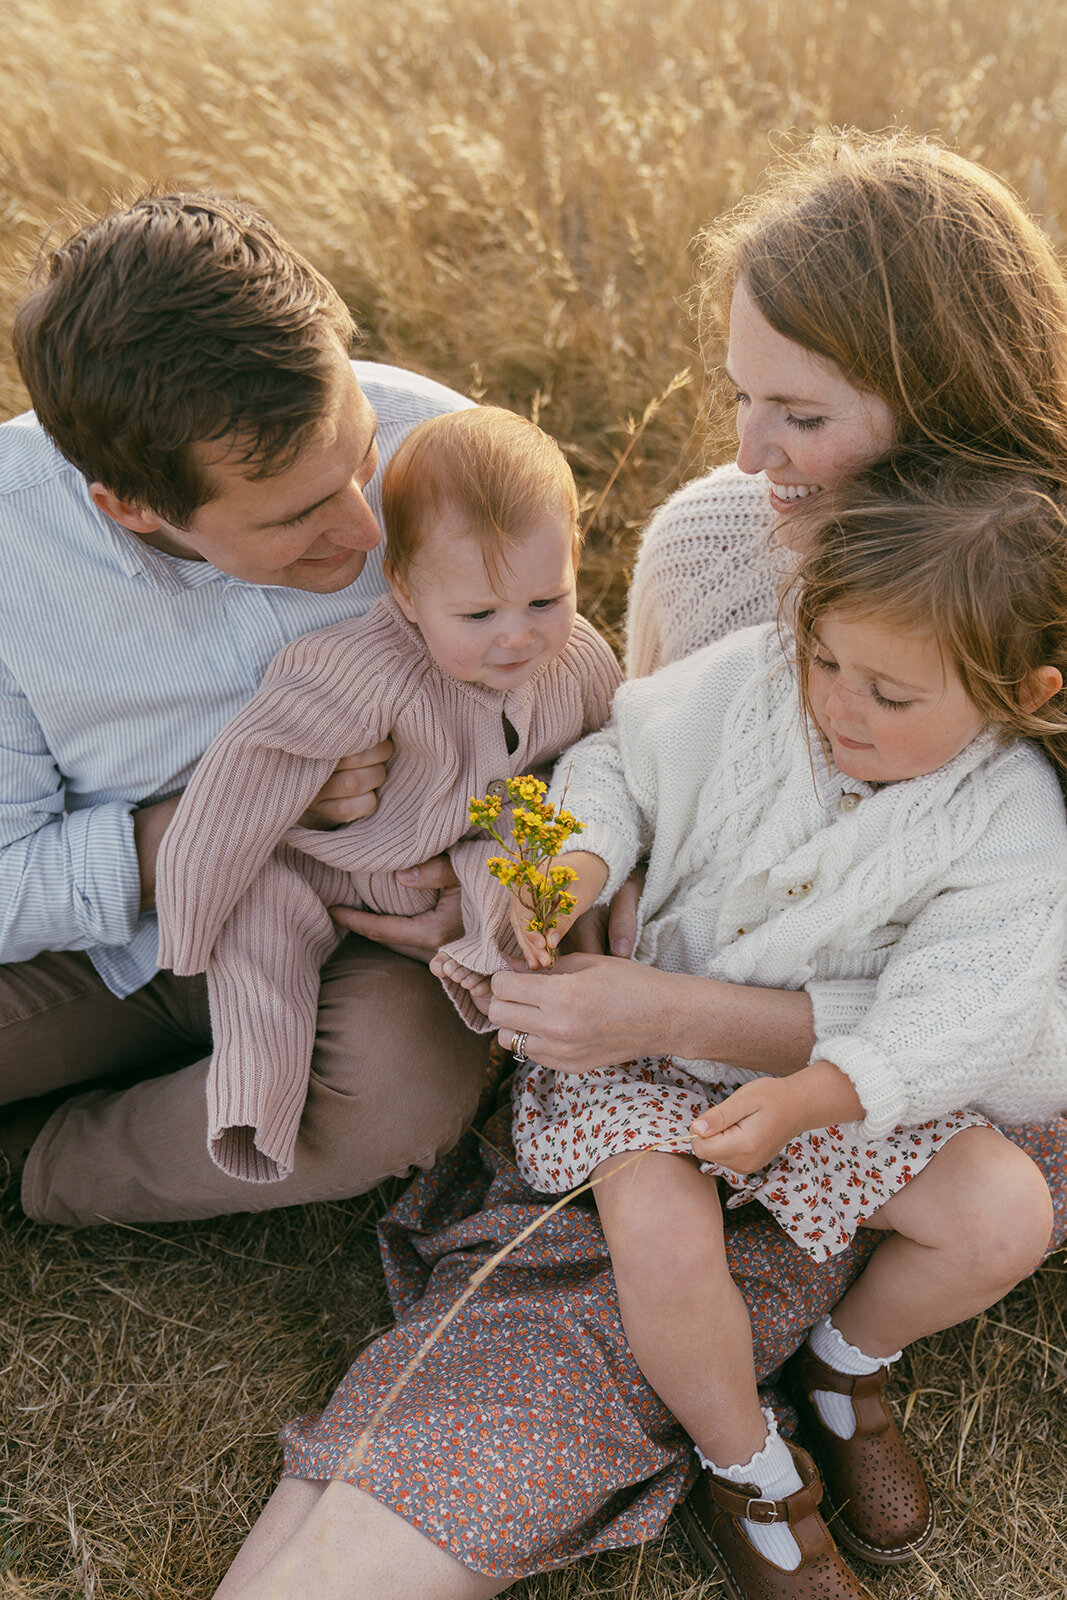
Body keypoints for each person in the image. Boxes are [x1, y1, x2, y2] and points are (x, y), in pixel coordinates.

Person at [211, 134, 1067, 1600]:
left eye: (794, 412)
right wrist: (545, 886)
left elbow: (1009, 1019)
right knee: (533, 1356)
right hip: (655, 1094)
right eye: (738, 394)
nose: (743, 452)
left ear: (939, 407)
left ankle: (825, 1381)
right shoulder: (726, 562)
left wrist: (681, 1023)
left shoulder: (1025, 644)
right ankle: (747, 1455)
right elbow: (642, 786)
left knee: (951, 1218)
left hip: (915, 1105)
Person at [508, 461, 1067, 1597]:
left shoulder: (1009, 818)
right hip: (642, 1045)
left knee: (1004, 1215)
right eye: (825, 662)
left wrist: (816, 1099)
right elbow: (619, 757)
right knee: (660, 1233)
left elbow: (967, 1001)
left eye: (890, 696)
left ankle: (842, 1362)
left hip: (836, 1076)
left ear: (1015, 690)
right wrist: (578, 857)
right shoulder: (752, 686)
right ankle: (748, 1466)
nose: (840, 706)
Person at [0, 190, 494, 1225]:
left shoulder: (438, 443)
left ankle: (44, 1166)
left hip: (359, 935)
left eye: (356, 458)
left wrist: (484, 881)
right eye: (296, 515)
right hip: (108, 945)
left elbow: (550, 692)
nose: (365, 530)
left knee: (401, 1090)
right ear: (130, 505)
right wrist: (206, 825)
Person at [152, 407, 620, 1184]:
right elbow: (246, 777)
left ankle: (509, 1002)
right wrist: (187, 924)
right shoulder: (358, 667)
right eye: (477, 614)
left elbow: (613, 759)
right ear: (405, 590)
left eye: (546, 601)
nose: (518, 637)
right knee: (260, 951)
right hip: (321, 868)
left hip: (450, 859)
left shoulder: (579, 659)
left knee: (520, 882)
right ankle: (251, 1111)